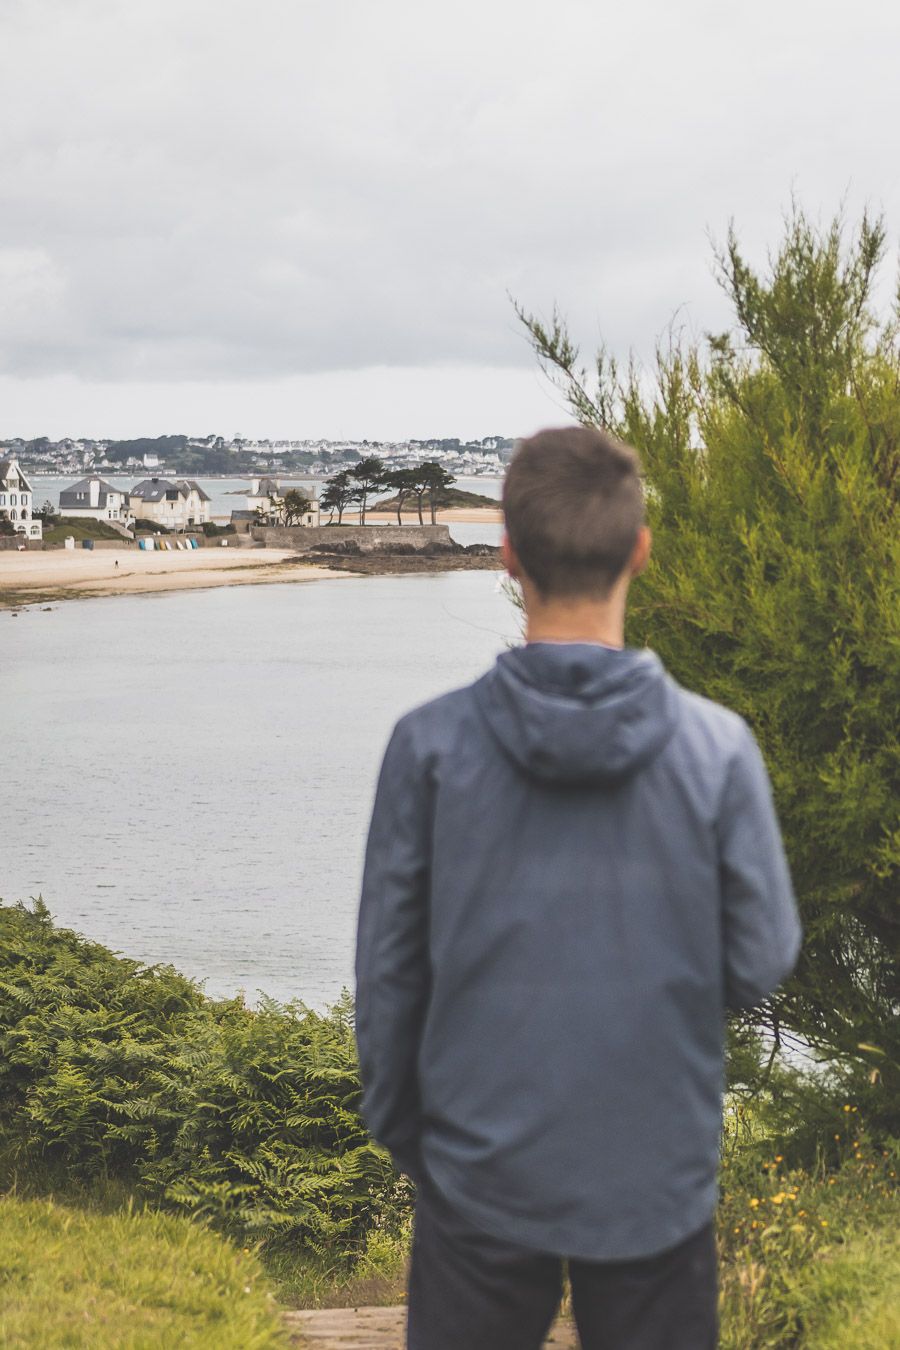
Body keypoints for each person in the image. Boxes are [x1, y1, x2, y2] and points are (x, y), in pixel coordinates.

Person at [355, 426, 801, 1350]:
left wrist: (422, 1145)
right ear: (640, 549)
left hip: (477, 1168)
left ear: (508, 555)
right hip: (656, 1168)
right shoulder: (717, 750)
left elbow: (390, 981)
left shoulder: (429, 748)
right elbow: (760, 958)